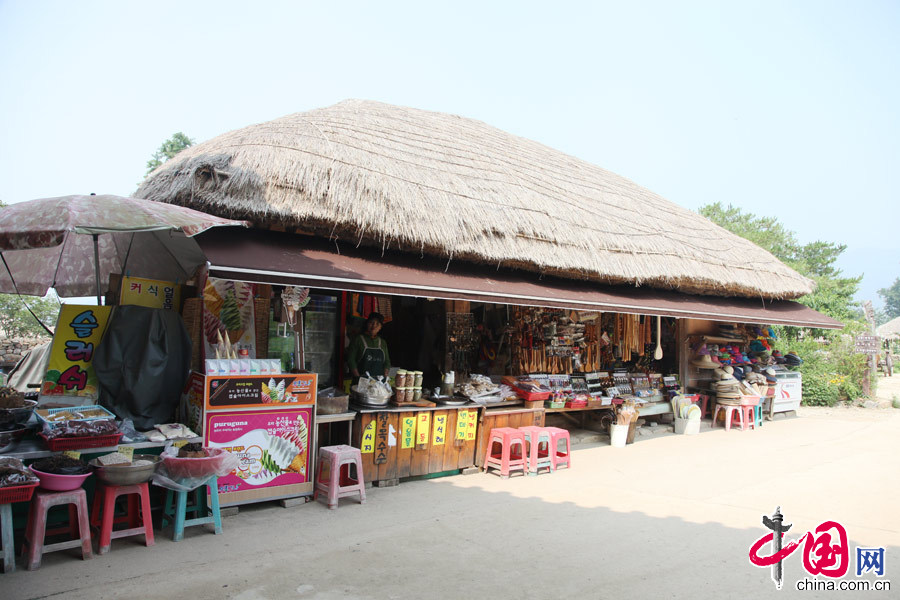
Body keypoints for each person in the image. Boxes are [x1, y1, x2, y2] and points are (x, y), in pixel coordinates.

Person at [347, 312, 391, 383]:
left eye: (377, 324)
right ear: (367, 323)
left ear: (380, 327)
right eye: (371, 322)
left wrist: (384, 377)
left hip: (378, 383)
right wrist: (358, 378)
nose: (374, 326)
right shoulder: (358, 340)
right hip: (361, 382)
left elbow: (387, 362)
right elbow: (351, 360)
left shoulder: (382, 342)